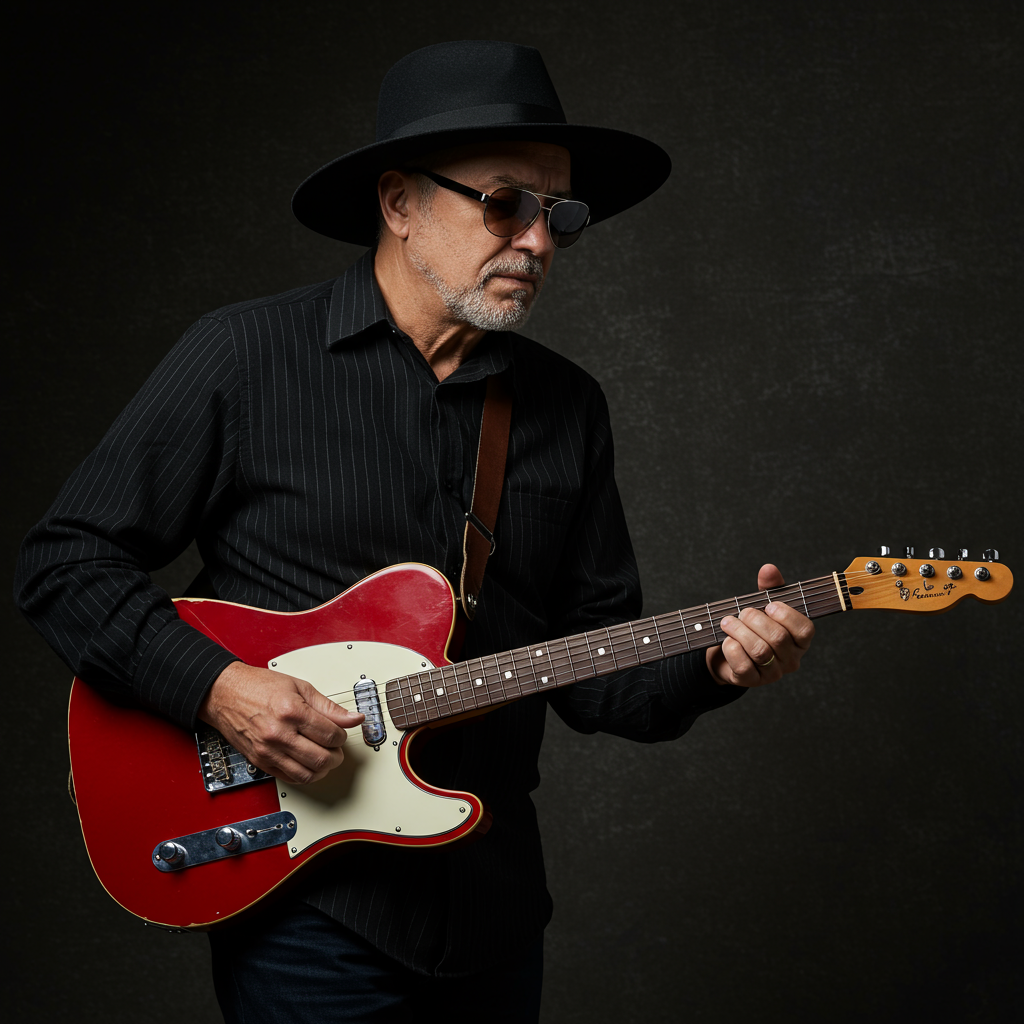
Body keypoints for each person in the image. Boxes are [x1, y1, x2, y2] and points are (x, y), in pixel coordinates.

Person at [15, 40, 814, 1022]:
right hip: (308, 901)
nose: (538, 241)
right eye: (505, 203)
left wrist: (718, 666)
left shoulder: (568, 407)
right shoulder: (244, 356)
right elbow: (64, 563)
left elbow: (597, 675)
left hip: (491, 908)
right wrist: (218, 687)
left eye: (559, 213)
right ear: (398, 203)